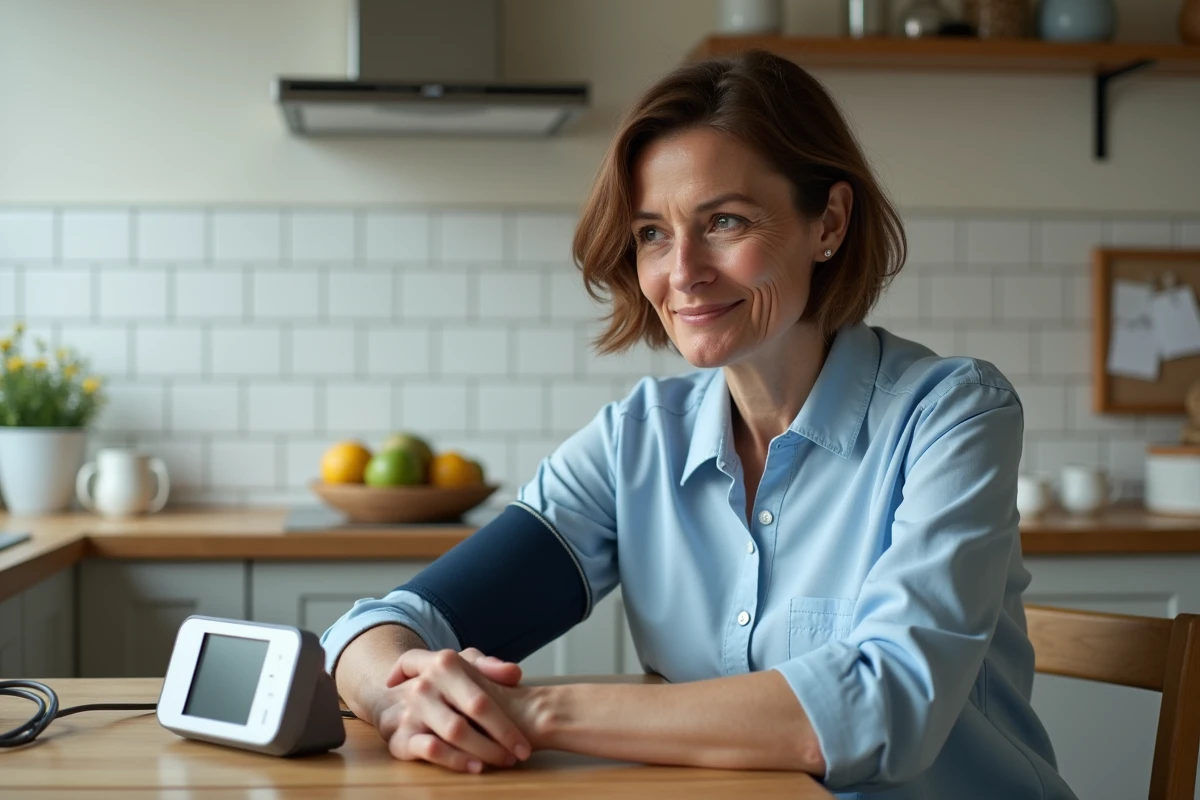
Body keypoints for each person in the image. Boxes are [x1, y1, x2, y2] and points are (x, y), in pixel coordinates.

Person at [321, 50, 1077, 799]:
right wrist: (400, 701)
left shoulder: (951, 414)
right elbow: (385, 626)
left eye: (724, 221)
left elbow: (884, 707)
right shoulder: (639, 442)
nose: (682, 271)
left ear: (830, 224)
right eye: (652, 232)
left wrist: (535, 710)